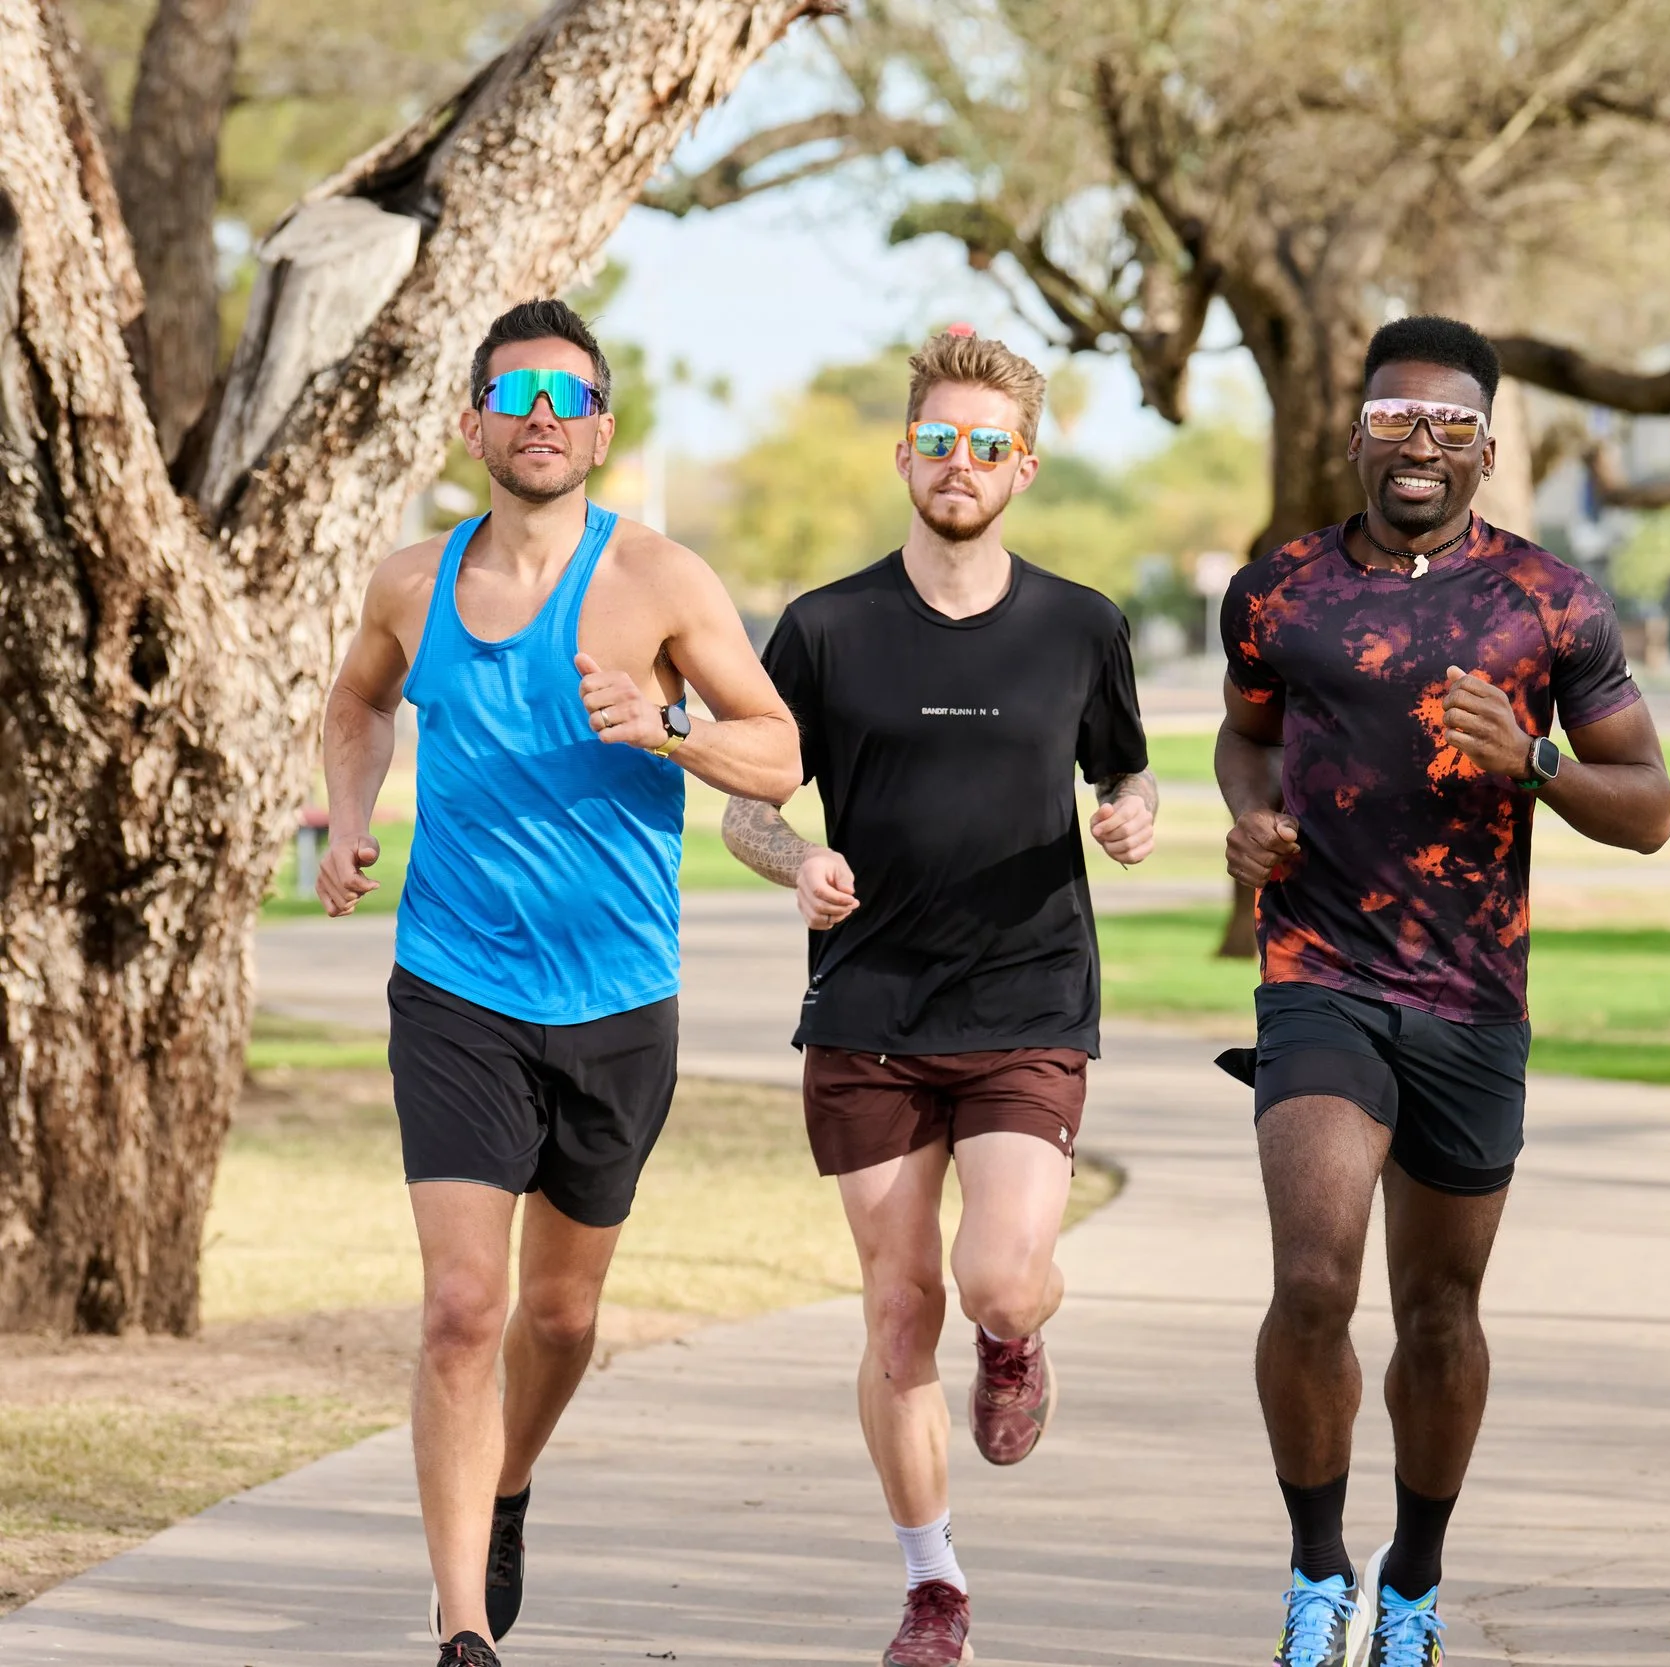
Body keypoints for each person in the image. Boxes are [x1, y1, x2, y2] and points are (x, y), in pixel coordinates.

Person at [318, 299, 802, 1667]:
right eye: (515, 392)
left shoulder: (660, 578)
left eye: (569, 395)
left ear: (600, 426)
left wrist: (667, 726)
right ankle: (463, 1617)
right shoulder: (410, 582)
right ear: (472, 421)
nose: (542, 414)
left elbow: (779, 751)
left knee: (561, 1311)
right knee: (464, 1305)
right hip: (455, 985)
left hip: (617, 999)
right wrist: (350, 812)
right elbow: (356, 699)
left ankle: (510, 1473)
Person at [1215, 315, 1670, 1667]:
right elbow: (1246, 742)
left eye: (1448, 424)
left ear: (1487, 445)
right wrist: (1250, 824)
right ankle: (1316, 1566)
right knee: (1313, 1274)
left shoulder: (1553, 600)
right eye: (1393, 418)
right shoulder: (1276, 592)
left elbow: (1648, 806)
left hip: (1473, 992)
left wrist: (1533, 757)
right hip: (1320, 972)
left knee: (1438, 1311)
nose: (1419, 443)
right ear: (1355, 432)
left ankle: (1411, 1576)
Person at [720, 327, 1156, 1667]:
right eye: (936, 442)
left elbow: (1127, 773)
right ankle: (934, 1583)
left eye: (985, 446)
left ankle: (1015, 1336)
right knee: (898, 1303)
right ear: (903, 453)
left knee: (998, 1273)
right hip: (869, 1008)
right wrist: (800, 859)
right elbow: (747, 801)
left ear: (1021, 466)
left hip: (1026, 995)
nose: (957, 465)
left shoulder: (1082, 625)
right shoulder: (826, 626)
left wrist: (1132, 815)